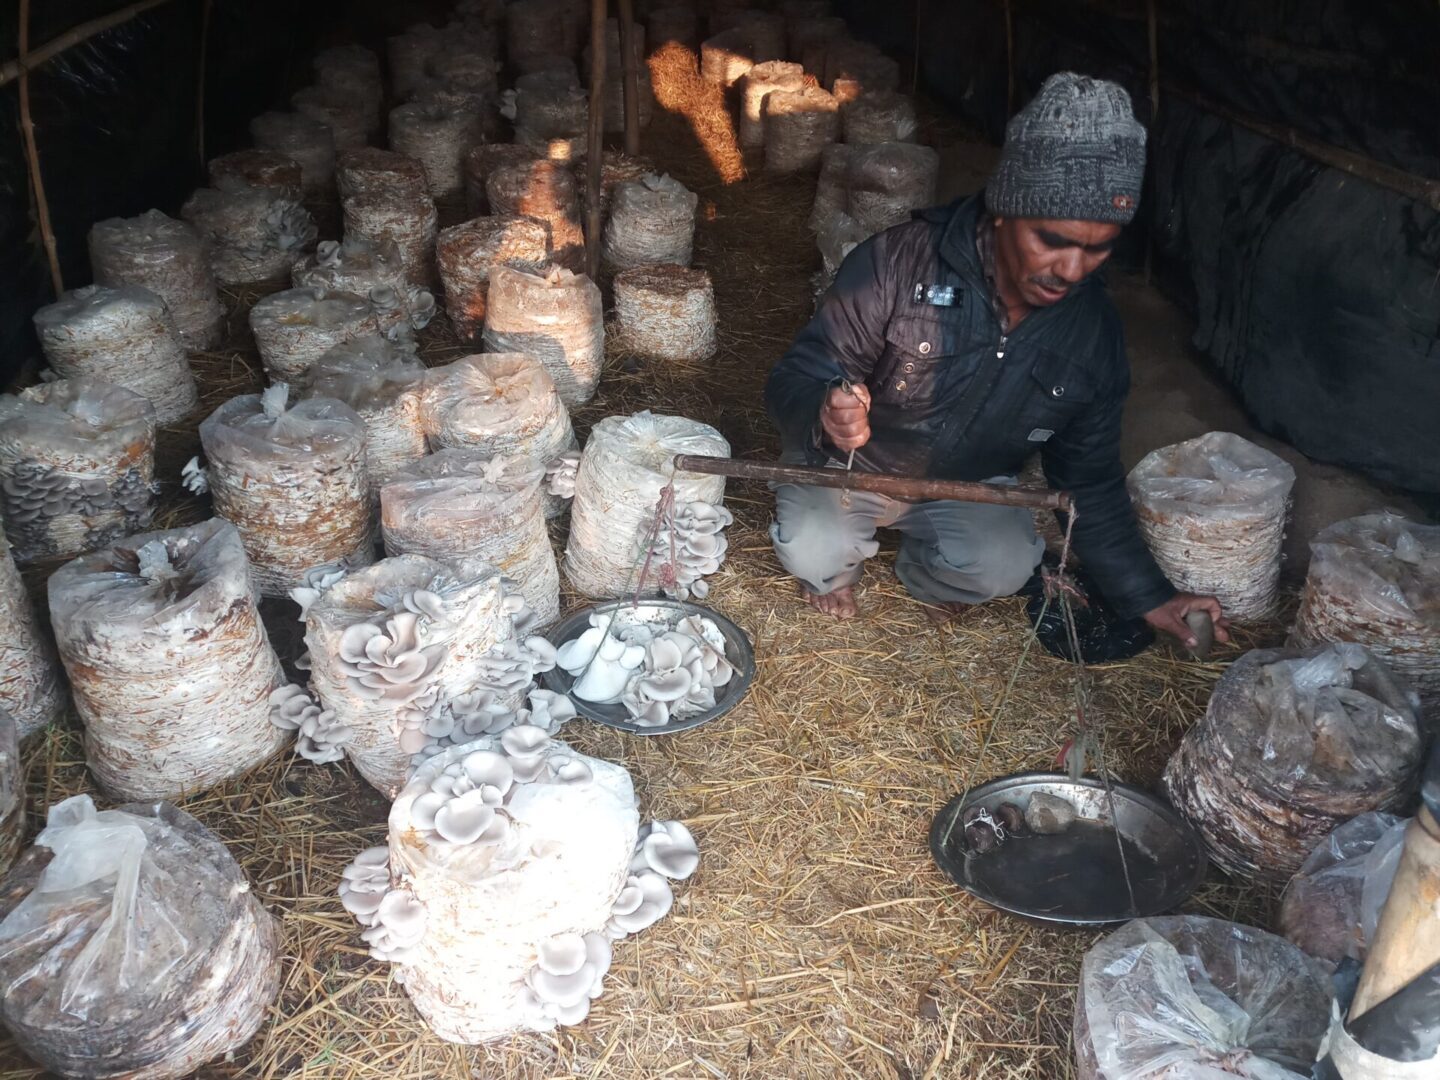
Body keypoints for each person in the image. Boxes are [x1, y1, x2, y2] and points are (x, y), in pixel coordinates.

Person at [764, 72, 1228, 648]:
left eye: (1099, 247)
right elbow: (798, 374)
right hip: (854, 469)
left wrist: (1149, 597)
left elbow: (1088, 480)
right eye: (1053, 239)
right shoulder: (898, 266)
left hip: (969, 483)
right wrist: (825, 411)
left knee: (1003, 567)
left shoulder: (1092, 336)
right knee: (812, 548)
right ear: (1004, 209)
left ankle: (925, 576)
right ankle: (834, 572)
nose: (1073, 269)